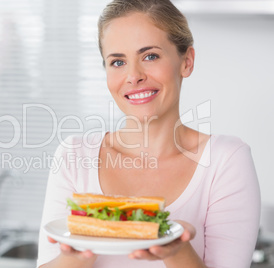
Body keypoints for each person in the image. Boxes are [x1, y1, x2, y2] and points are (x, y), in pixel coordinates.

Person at [37, 0, 261, 267]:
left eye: (150, 56)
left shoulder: (225, 160)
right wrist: (79, 251)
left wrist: (177, 252)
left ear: (186, 62)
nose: (133, 76)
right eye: (118, 62)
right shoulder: (74, 155)